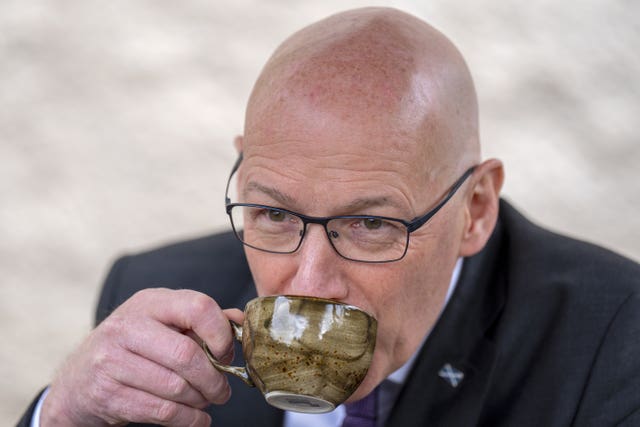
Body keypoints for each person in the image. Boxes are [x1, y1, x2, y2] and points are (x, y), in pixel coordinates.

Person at [18, 7, 640, 427]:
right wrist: (61, 414)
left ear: (475, 210)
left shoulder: (613, 339)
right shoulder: (152, 300)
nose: (309, 281)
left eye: (370, 225)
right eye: (273, 213)